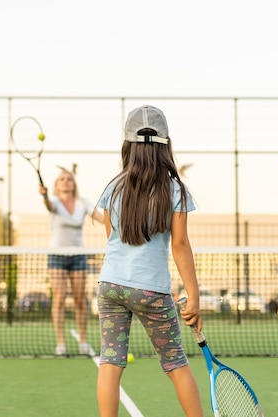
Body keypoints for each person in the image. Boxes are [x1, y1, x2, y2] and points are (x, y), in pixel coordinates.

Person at [95, 105, 204, 417]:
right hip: (151, 292)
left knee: (110, 362)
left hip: (111, 286)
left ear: (127, 146)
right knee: (175, 364)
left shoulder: (112, 187)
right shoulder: (175, 190)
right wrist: (193, 296)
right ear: (166, 146)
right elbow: (180, 245)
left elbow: (110, 236)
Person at [39, 169, 104, 356]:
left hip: (78, 255)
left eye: (69, 179)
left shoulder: (83, 203)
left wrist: (120, 221)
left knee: (79, 300)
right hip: (57, 256)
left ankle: (83, 340)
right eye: (62, 179)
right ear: (56, 184)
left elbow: (100, 218)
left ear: (74, 183)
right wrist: (44, 196)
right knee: (58, 299)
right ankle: (61, 343)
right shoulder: (55, 203)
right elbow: (49, 206)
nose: (66, 182)